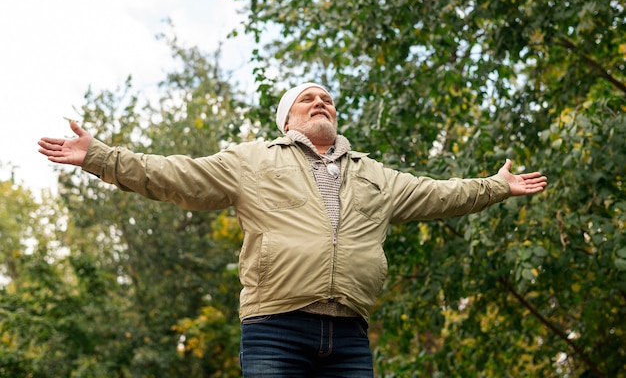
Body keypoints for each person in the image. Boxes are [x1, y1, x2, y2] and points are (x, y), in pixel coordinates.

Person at [38, 82, 547, 377]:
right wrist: (100, 157)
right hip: (275, 329)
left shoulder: (375, 175)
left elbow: (440, 194)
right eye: (307, 99)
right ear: (287, 120)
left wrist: (496, 186)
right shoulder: (252, 161)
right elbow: (174, 175)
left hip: (349, 335)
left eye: (326, 98)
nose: (320, 102)